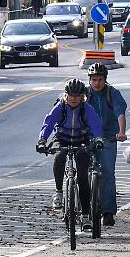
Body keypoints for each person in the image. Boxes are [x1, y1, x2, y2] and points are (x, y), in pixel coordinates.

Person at [37, 79, 103, 232]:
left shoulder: (86, 109)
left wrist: (98, 140)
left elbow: (95, 124)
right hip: (62, 138)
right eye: (70, 95)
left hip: (81, 140)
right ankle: (59, 192)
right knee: (59, 156)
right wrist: (42, 140)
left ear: (82, 97)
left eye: (77, 96)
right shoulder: (60, 107)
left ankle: (86, 216)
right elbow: (48, 123)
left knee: (82, 178)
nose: (73, 99)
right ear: (65, 96)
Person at [86, 62, 127, 227]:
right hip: (87, 138)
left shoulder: (113, 93)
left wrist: (122, 132)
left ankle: (108, 212)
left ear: (105, 80)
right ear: (89, 80)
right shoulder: (84, 94)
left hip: (109, 138)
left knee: (108, 173)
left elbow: (120, 113)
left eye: (100, 79)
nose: (97, 83)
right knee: (84, 172)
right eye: (94, 79)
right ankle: (84, 209)